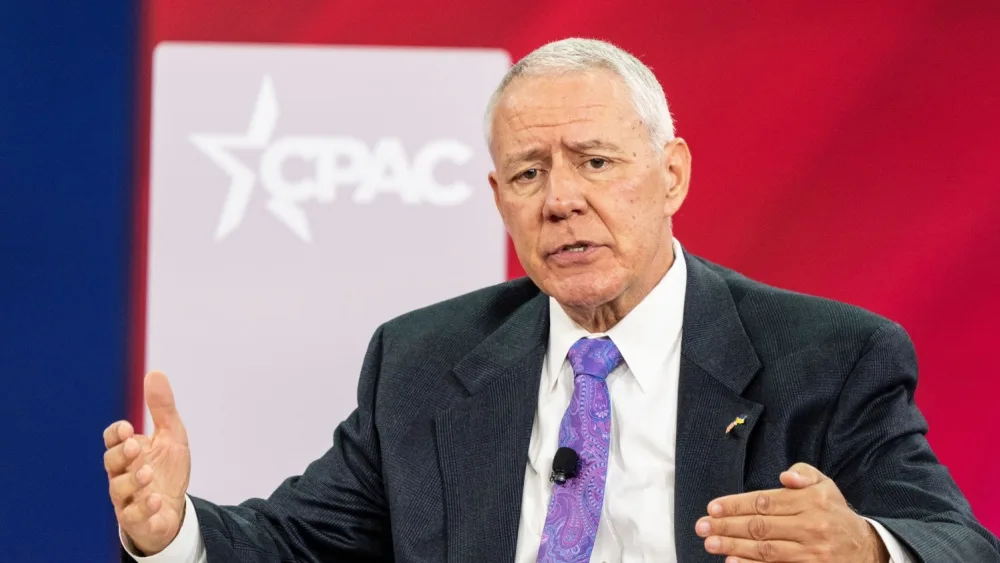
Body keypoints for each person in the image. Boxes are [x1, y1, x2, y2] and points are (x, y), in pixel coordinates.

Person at [103, 38, 1000, 563]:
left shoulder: (828, 357)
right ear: (500, 199)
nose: (561, 199)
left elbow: (958, 542)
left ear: (672, 174)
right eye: (529, 174)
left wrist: (866, 546)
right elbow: (298, 544)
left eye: (595, 162)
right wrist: (174, 528)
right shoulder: (422, 363)